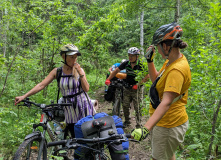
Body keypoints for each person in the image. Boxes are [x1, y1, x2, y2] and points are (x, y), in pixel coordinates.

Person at [131, 22, 191, 160]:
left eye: (158, 46)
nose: (157, 50)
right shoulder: (171, 61)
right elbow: (156, 81)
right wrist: (149, 61)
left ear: (165, 46)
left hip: (169, 125)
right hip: (166, 122)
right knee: (168, 155)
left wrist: (146, 128)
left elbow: (166, 102)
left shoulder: (176, 70)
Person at [14, 44, 94, 138]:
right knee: (75, 137)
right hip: (69, 109)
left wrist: (81, 73)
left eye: (75, 57)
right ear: (64, 57)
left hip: (82, 106)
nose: (74, 60)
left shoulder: (79, 71)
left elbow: (86, 89)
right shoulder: (58, 72)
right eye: (72, 57)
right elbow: (41, 85)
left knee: (87, 136)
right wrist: (24, 96)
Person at [105, 47, 149, 128]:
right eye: (129, 55)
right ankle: (127, 121)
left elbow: (147, 75)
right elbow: (116, 71)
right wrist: (108, 79)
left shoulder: (141, 64)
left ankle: (139, 124)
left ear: (137, 56)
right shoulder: (126, 63)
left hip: (137, 89)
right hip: (127, 87)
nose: (130, 57)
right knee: (125, 105)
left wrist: (138, 84)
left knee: (137, 107)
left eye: (132, 55)